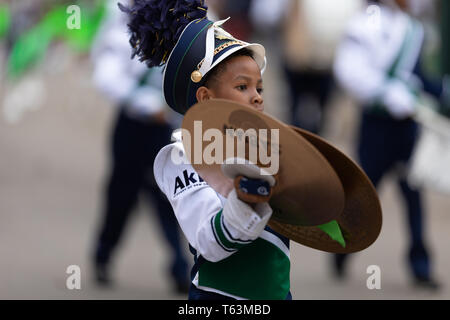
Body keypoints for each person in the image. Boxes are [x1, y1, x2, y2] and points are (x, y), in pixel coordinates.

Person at [118, 0, 293, 300]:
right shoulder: (182, 157)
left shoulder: (264, 149)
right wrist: (247, 197)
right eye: (242, 87)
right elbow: (210, 242)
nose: (256, 98)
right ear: (206, 98)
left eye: (259, 88)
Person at [333, 0, 449, 289]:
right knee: (365, 193)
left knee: (413, 194)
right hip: (377, 124)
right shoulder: (364, 23)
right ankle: (341, 249)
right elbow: (349, 70)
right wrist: (385, 93)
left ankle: (420, 265)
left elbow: (417, 75)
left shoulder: (413, 28)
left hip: (407, 126)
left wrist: (441, 91)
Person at [90, 0, 189, 293]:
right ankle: (103, 254)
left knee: (172, 194)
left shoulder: (189, 16)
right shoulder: (123, 19)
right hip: (133, 127)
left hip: (169, 129)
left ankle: (179, 266)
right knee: (122, 194)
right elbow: (106, 75)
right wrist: (146, 104)